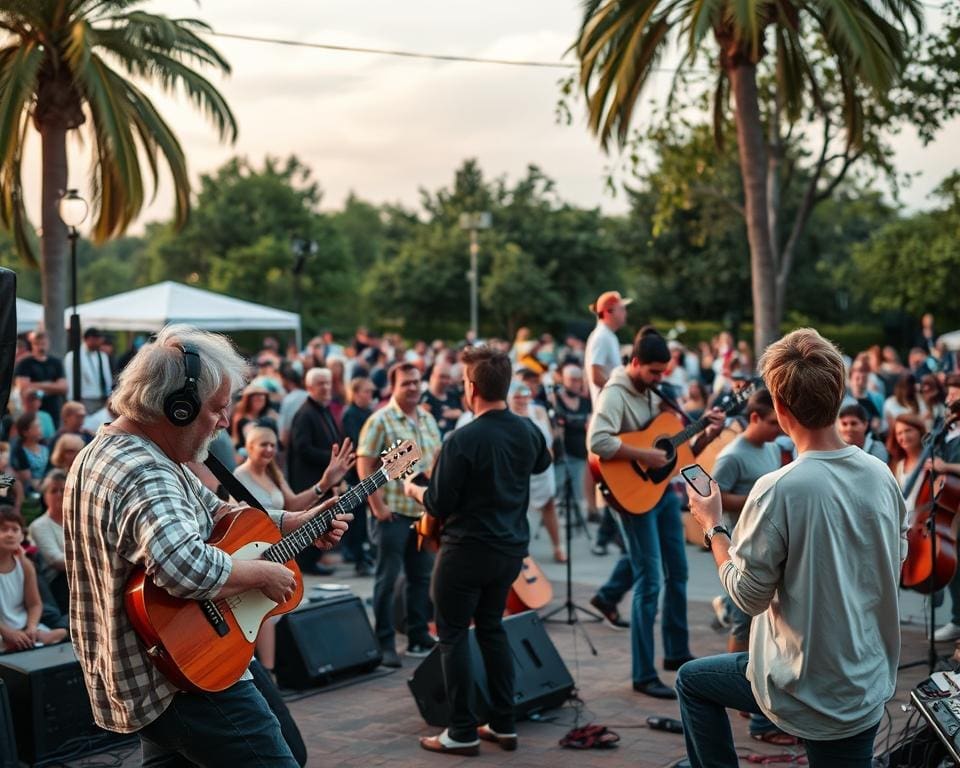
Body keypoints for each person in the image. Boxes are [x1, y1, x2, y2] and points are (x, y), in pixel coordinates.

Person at [62, 324, 349, 765]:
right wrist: (262, 573)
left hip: (162, 667)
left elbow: (216, 511)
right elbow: (183, 567)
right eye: (217, 408)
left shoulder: (122, 449)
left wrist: (293, 520)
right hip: (182, 679)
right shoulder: (146, 471)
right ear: (177, 408)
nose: (225, 421)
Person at [681, 328, 906, 768]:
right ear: (838, 395)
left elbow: (747, 596)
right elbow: (894, 558)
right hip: (865, 678)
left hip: (807, 686)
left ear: (781, 409)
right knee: (695, 680)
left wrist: (713, 527)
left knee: (692, 682)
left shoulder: (778, 490)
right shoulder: (881, 474)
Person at [403, 345, 550, 756]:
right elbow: (541, 463)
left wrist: (413, 487)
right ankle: (504, 724)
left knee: (452, 636)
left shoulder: (462, 439)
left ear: (470, 388)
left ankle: (462, 730)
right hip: (509, 551)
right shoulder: (528, 430)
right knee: (492, 629)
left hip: (465, 552)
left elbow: (437, 504)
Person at [589, 327, 724, 699]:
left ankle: (676, 653)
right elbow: (597, 440)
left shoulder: (654, 392)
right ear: (634, 363)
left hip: (660, 492)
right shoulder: (615, 393)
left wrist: (708, 434)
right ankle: (643, 673)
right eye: (652, 372)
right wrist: (644, 455)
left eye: (662, 372)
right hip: (630, 495)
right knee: (649, 581)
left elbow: (677, 452)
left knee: (677, 571)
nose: (658, 379)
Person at [708, 390, 791, 745]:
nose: (779, 429)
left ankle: (751, 698)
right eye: (772, 423)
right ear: (754, 418)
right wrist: (761, 498)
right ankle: (742, 694)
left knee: (757, 623)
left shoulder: (771, 447)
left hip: (766, 546)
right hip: (742, 547)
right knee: (744, 624)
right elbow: (714, 495)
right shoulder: (732, 455)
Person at [357, 362, 442, 668]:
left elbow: (436, 459)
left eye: (417, 382)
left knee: (420, 578)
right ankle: (385, 643)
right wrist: (377, 507)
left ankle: (418, 635)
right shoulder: (380, 420)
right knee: (387, 579)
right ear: (393, 386)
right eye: (406, 383)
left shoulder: (429, 419)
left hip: (422, 513)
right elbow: (364, 463)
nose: (413, 387)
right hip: (391, 514)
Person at [584, 290, 631, 557]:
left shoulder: (605, 336)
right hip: (609, 417)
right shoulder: (602, 336)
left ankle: (608, 537)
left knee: (617, 480)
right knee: (617, 479)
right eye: (622, 308)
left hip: (608, 415)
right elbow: (595, 373)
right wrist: (621, 393)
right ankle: (610, 537)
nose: (625, 313)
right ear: (609, 311)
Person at [287, 367, 345, 575]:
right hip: (309, 480)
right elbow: (303, 448)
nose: (326, 387)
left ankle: (313, 560)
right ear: (309, 387)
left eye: (328, 383)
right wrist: (332, 461)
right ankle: (306, 563)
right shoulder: (305, 413)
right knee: (311, 521)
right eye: (321, 383)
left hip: (323, 477)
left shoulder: (322, 409)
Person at [508, 382, 564, 562]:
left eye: (525, 395)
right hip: (519, 471)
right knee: (518, 511)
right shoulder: (508, 416)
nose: (522, 399)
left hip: (543, 468)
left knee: (549, 506)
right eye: (517, 396)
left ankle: (557, 546)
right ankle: (522, 551)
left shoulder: (538, 411)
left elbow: (549, 440)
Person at [0, 505, 68, 652]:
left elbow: (35, 605)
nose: (10, 534)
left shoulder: (25, 564)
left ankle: (34, 636)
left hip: (23, 627)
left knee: (64, 631)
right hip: (3, 631)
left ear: (22, 535)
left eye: (15, 529)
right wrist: (8, 633)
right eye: (3, 529)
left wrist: (31, 627)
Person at [340, 376, 376, 575]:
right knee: (358, 519)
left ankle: (365, 555)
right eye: (366, 391)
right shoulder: (351, 414)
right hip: (356, 473)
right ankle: (358, 557)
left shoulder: (369, 412)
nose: (370, 395)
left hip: (369, 471)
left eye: (372, 391)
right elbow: (356, 442)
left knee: (365, 519)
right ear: (355, 393)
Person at [27, 469, 69, 612]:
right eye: (53, 491)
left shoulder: (78, 522)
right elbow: (56, 560)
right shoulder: (39, 526)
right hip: (57, 585)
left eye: (63, 490)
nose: (60, 495)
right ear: (45, 496)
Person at [14, 330, 67, 429]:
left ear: (48, 343)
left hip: (53, 408)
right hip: (32, 410)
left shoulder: (56, 363)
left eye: (43, 343)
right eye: (37, 344)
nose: (40, 347)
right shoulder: (24, 363)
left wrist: (34, 385)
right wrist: (52, 385)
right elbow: (24, 387)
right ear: (32, 344)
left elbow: (63, 388)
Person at [63, 327, 113, 413]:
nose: (100, 342)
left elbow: (107, 378)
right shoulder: (73, 356)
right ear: (89, 339)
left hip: (102, 399)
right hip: (83, 399)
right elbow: (70, 379)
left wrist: (109, 396)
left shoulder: (102, 356)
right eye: (97, 339)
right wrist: (73, 400)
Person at [420, 359, 463, 438]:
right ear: (432, 376)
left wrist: (460, 414)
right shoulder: (424, 399)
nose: (445, 381)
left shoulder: (454, 396)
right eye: (442, 376)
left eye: (448, 377)